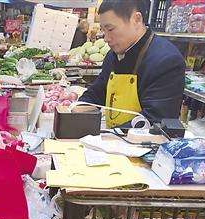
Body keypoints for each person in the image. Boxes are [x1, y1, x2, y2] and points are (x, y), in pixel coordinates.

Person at [79, 0, 185, 128]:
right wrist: (78, 107)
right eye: (103, 30)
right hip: (113, 141)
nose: (106, 38)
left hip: (145, 144)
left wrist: (110, 136)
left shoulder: (166, 60)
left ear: (136, 19)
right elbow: (98, 91)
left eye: (110, 29)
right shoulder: (112, 55)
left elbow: (155, 120)